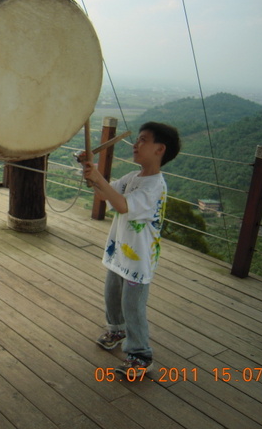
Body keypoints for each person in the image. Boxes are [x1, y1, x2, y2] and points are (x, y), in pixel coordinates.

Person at [80, 121, 181, 375]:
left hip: (138, 260)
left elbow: (123, 205)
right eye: (137, 139)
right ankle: (117, 329)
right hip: (120, 252)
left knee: (132, 305)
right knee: (112, 294)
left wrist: (96, 176)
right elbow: (106, 194)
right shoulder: (133, 178)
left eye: (143, 140)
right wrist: (90, 172)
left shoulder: (155, 186)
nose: (135, 144)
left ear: (160, 149)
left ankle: (140, 354)